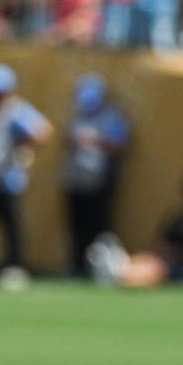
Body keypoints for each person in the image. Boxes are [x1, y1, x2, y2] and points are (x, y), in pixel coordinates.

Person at [0, 63, 52, 284]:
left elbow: (42, 132)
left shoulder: (16, 111)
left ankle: (14, 266)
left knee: (11, 225)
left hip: (7, 177)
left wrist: (20, 143)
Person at [89, 173, 183, 288]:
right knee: (148, 259)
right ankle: (121, 266)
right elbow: (163, 240)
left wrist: (178, 254)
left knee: (158, 269)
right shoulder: (180, 219)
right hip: (171, 260)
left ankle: (119, 274)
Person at [62, 74, 130, 276]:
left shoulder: (112, 117)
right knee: (76, 226)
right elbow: (66, 141)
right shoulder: (76, 116)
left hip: (100, 180)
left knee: (100, 227)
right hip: (76, 179)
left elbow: (120, 144)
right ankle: (77, 265)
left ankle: (101, 268)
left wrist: (95, 140)